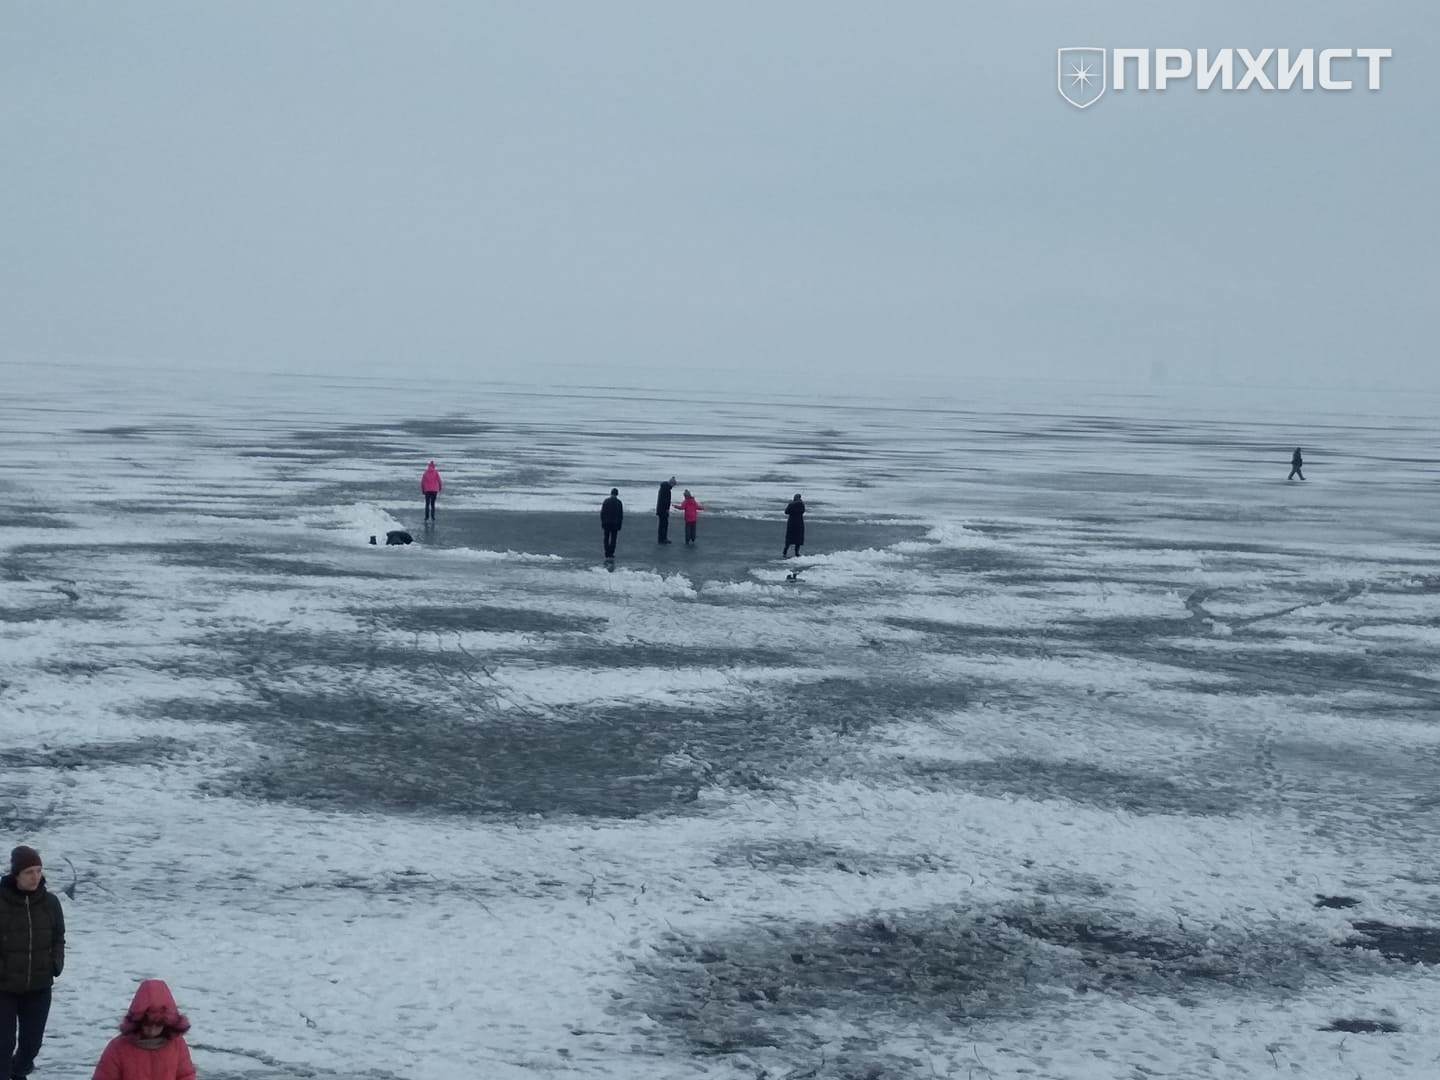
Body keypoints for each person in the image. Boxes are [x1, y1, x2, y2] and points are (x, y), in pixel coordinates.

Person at [1, 845, 65, 1080]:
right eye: (29, 872)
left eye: (38, 870)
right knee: (3, 1045)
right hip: (4, 989)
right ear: (16, 874)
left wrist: (55, 963)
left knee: (31, 1046)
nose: (36, 876)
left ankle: (17, 1074)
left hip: (38, 987)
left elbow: (59, 936)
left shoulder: (50, 903)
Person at [92, 980, 196, 1080]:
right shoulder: (117, 1048)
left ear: (167, 1022)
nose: (152, 1030)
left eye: (158, 1024)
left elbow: (186, 1076)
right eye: (147, 1024)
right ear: (138, 1021)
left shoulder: (178, 1045)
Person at [600, 488, 623, 559]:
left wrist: (602, 521)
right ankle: (611, 552)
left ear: (611, 493)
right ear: (617, 494)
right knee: (613, 539)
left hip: (606, 522)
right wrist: (620, 524)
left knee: (606, 538)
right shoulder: (619, 502)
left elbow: (602, 513)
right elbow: (620, 515)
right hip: (615, 523)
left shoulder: (606, 501)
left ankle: (607, 552)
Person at [783, 493, 805, 557]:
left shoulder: (791, 504)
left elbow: (786, 512)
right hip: (799, 523)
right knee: (798, 539)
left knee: (789, 538)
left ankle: (785, 551)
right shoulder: (801, 504)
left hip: (791, 523)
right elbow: (803, 511)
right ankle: (797, 552)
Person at [655, 476, 676, 544]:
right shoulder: (666, 489)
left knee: (662, 524)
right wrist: (667, 509)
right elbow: (665, 501)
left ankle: (661, 538)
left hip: (660, 509)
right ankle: (663, 539)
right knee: (664, 524)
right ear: (671, 483)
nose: (673, 486)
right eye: (673, 484)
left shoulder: (663, 488)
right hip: (663, 510)